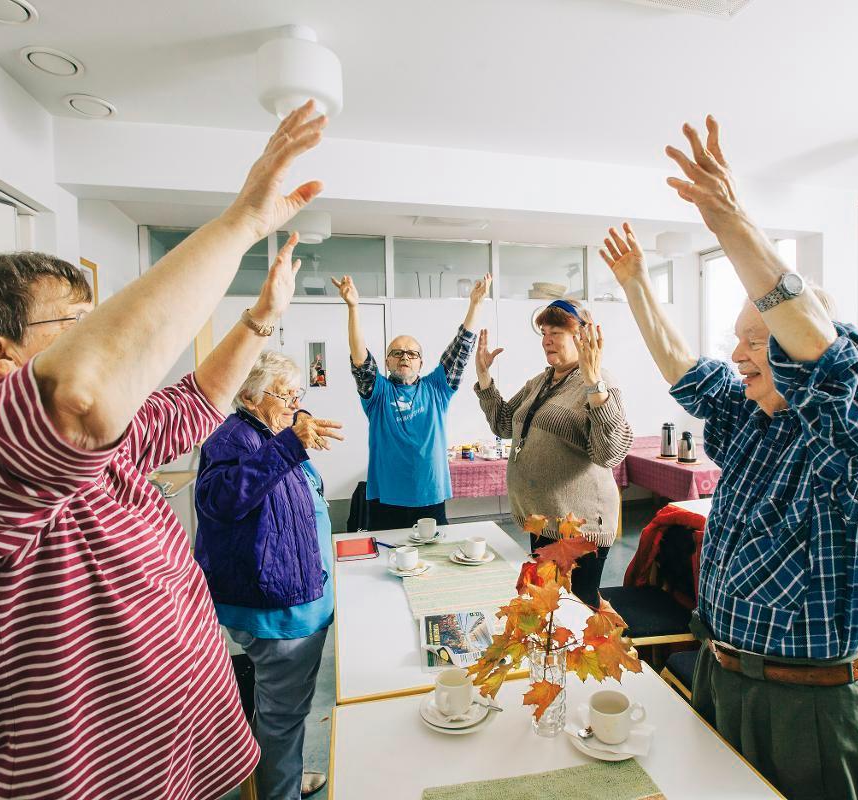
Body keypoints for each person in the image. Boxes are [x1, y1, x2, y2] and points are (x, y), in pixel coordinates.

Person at [0, 101, 328, 799]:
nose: (103, 339)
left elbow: (192, 405)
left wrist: (260, 321)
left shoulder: (104, 453)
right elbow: (79, 397)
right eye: (78, 322)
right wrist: (242, 222)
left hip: (189, 766)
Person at [598, 116, 858, 800]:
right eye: (738, 339)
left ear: (800, 343)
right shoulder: (757, 418)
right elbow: (688, 371)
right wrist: (635, 286)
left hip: (804, 705)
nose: (739, 354)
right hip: (721, 670)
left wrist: (732, 224)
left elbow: (826, 362)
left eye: (756, 341)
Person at [194, 350, 342, 800]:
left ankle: (277, 778)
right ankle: (279, 792)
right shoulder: (231, 437)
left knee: (282, 709)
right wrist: (290, 443)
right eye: (286, 394)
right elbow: (218, 500)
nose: (296, 404)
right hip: (276, 611)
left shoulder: (268, 427)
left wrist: (292, 425)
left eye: (299, 393)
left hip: (294, 596)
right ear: (248, 396)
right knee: (284, 714)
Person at [473, 299, 633, 607]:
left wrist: (593, 382)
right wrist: (484, 377)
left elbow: (609, 454)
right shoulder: (542, 380)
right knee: (547, 606)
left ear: (582, 337)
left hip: (578, 527)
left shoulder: (601, 383)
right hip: (543, 519)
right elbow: (505, 423)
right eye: (544, 332)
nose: (547, 339)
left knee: (573, 611)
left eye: (556, 331)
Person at [331, 272, 490, 531]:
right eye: (397, 353)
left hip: (430, 495)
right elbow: (361, 360)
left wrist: (475, 305)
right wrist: (353, 308)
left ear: (421, 362)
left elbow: (460, 350)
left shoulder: (437, 388)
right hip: (386, 498)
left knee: (432, 561)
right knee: (385, 560)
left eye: (412, 353)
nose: (405, 357)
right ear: (387, 361)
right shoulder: (378, 393)